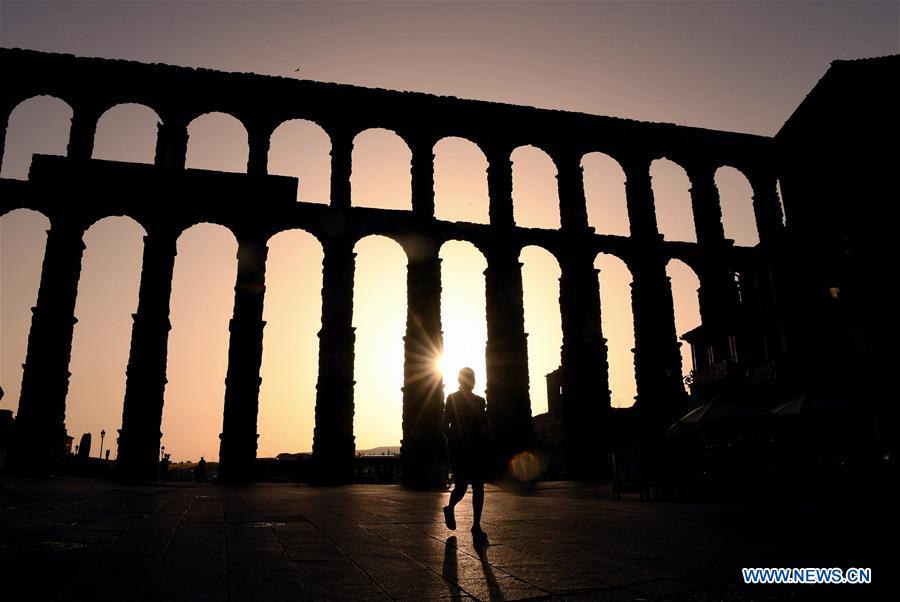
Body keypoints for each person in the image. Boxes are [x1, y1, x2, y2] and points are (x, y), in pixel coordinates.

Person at [442, 367, 493, 544]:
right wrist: (454, 442)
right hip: (460, 450)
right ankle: (450, 508)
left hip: (476, 449)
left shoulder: (480, 401)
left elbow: (485, 424)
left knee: (478, 486)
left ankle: (476, 525)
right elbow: (444, 425)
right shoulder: (452, 398)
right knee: (462, 487)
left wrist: (489, 442)